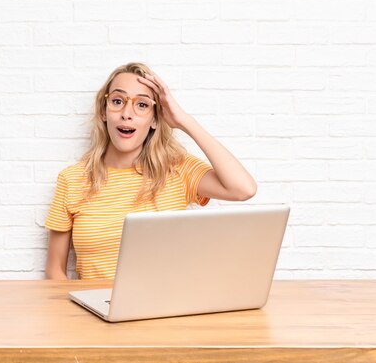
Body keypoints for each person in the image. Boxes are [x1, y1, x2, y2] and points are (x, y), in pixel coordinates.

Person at [44, 62, 257, 280]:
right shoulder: (72, 179)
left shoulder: (178, 169)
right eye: (117, 101)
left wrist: (183, 120)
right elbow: (55, 272)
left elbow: (243, 189)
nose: (127, 113)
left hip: (166, 308)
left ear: (155, 118)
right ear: (104, 111)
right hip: (95, 309)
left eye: (142, 105)